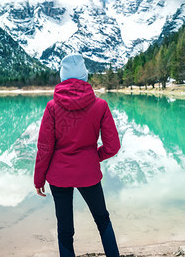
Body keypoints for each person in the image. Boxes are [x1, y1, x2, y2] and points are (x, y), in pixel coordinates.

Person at [34, 53, 121, 257]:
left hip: (59, 175)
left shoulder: (52, 107)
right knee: (102, 220)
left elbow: (44, 148)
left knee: (65, 229)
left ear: (63, 76)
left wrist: (39, 179)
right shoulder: (100, 105)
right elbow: (113, 146)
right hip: (88, 173)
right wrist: (93, 157)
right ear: (85, 75)